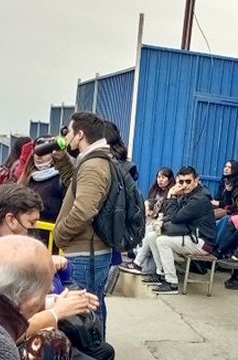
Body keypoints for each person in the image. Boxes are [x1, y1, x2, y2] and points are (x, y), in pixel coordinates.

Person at [52, 111, 115, 325]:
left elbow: (84, 210)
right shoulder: (92, 161)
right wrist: (62, 162)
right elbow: (76, 188)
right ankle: (97, 355)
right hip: (89, 251)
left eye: (69, 132)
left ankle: (93, 356)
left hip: (85, 254)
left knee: (82, 318)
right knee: (92, 309)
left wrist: (59, 233)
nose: (67, 136)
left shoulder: (93, 165)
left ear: (79, 135)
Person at [140, 165, 217, 295]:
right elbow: (171, 216)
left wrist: (171, 196)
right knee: (152, 236)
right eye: (181, 182)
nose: (185, 185)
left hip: (203, 242)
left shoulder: (199, 199)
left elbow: (176, 218)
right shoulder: (188, 195)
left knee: (163, 241)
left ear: (196, 180)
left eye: (188, 181)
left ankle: (172, 282)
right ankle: (161, 274)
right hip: (190, 235)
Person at [119, 167, 174, 276]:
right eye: (158, 177)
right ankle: (136, 251)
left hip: (163, 223)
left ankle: (137, 260)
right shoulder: (155, 191)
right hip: (152, 221)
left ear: (170, 179)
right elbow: (148, 204)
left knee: (150, 228)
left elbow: (169, 212)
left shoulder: (172, 193)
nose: (160, 180)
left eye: (163, 177)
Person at [19, 137, 66, 228]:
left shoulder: (62, 178)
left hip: (50, 234)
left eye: (44, 152)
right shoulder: (28, 176)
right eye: (36, 152)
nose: (39, 156)